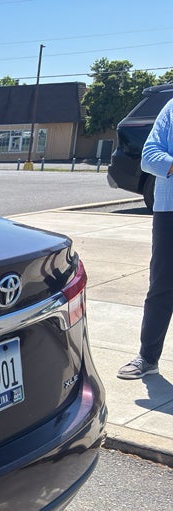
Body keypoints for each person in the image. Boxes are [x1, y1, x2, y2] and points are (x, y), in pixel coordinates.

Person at [118, 97, 173, 379]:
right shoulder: (171, 108)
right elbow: (150, 155)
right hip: (170, 211)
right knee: (162, 286)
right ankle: (148, 357)